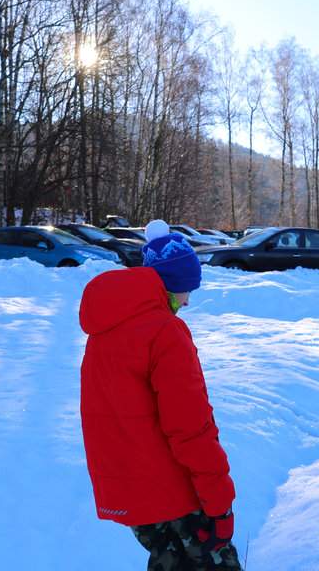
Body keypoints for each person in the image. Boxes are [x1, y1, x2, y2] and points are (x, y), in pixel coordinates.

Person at [79, 219, 242, 570]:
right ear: (171, 286)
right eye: (187, 291)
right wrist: (219, 502)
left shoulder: (105, 330)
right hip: (176, 495)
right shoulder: (166, 334)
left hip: (132, 493)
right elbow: (190, 428)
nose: (187, 302)